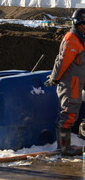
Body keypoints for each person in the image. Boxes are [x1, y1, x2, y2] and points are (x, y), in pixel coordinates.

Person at [45, 8, 85, 156]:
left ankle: (66, 146)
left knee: (72, 113)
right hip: (70, 84)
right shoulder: (72, 39)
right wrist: (54, 78)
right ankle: (63, 148)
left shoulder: (81, 38)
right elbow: (62, 62)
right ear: (81, 24)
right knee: (67, 114)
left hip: (77, 83)